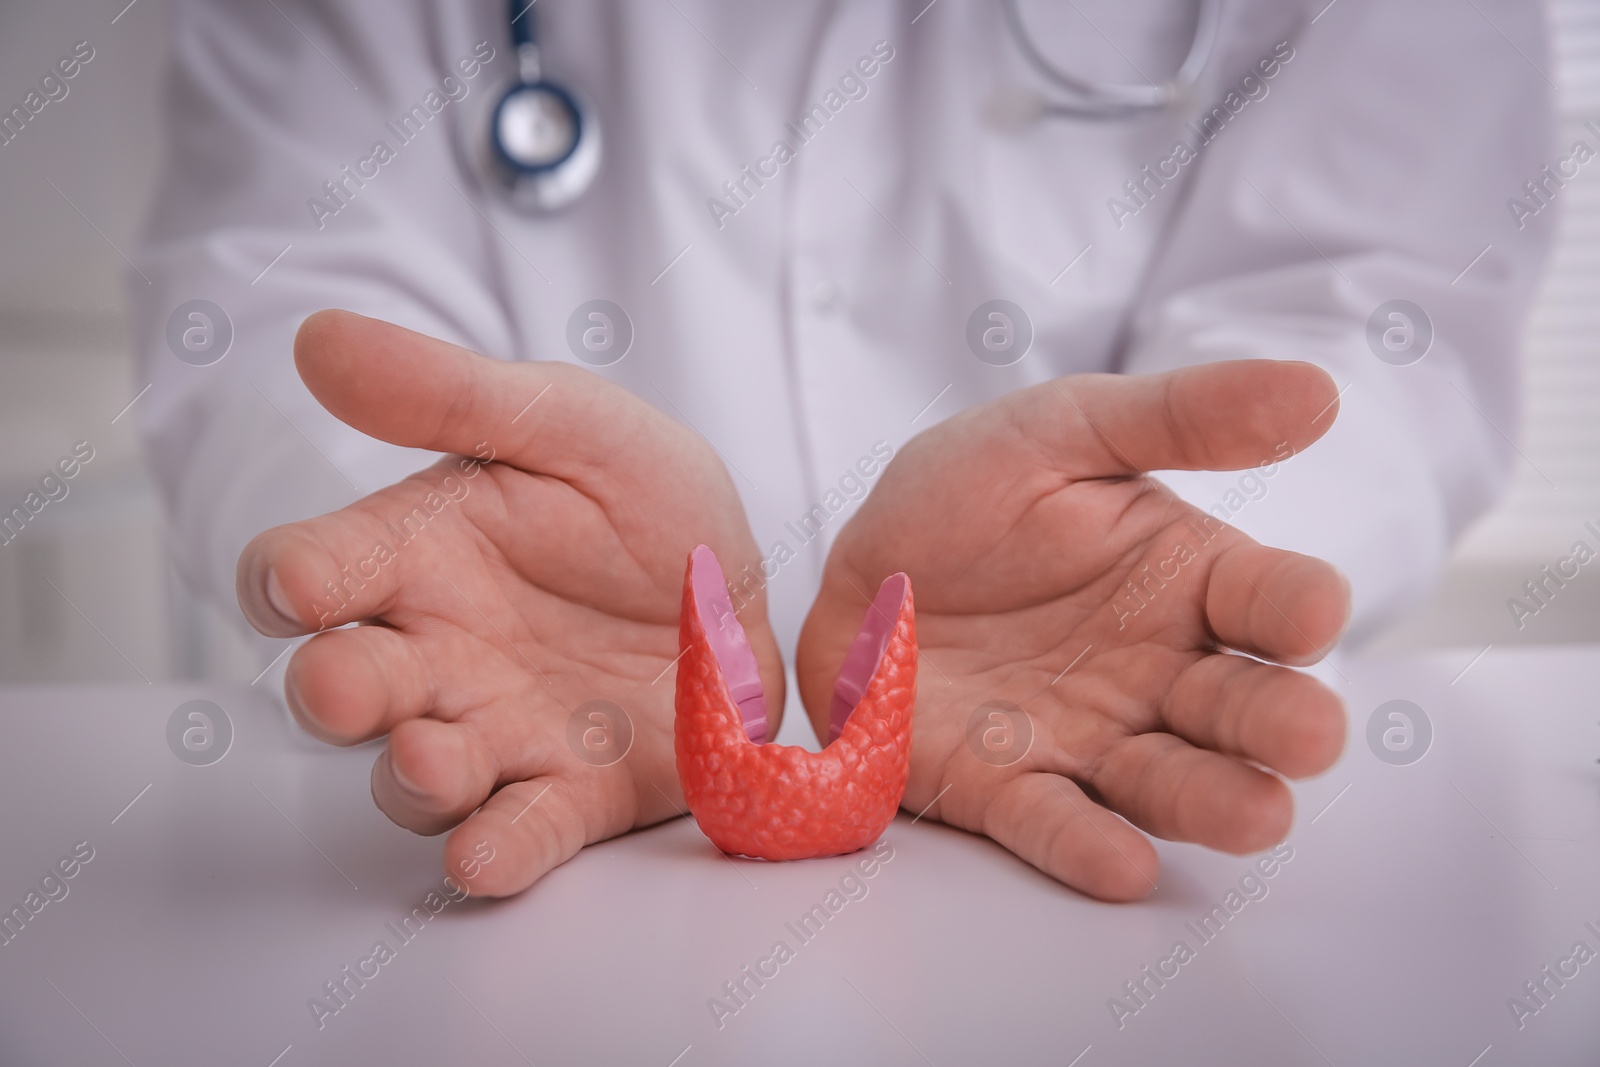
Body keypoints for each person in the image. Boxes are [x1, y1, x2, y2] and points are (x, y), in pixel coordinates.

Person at [128, 0, 1554, 901]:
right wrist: (408, 538)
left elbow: (1382, 293)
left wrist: (1168, 539)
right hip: (547, 828)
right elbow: (276, 295)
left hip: (1064, 801)